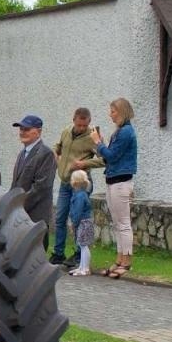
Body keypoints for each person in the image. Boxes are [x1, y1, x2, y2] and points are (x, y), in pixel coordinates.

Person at [50, 108, 104, 267]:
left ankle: (79, 254)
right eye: (79, 125)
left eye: (84, 125)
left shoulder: (93, 137)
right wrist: (56, 154)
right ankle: (58, 253)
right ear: (73, 120)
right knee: (60, 218)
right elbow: (58, 146)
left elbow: (104, 159)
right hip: (65, 181)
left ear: (89, 122)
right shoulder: (66, 131)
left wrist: (84, 163)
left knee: (78, 219)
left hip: (80, 184)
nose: (81, 128)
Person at [91, 97, 138, 278]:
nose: (110, 115)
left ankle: (126, 262)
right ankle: (119, 259)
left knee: (123, 224)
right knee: (118, 224)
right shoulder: (119, 132)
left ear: (122, 111)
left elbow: (112, 156)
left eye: (113, 111)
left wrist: (98, 143)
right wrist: (100, 144)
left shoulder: (126, 132)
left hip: (121, 182)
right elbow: (107, 156)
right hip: (113, 180)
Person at [9, 113, 56, 240]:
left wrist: (17, 205)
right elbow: (16, 184)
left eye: (27, 129)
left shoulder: (46, 153)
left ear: (38, 132)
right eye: (21, 129)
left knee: (36, 256)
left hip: (36, 217)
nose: (22, 132)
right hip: (20, 216)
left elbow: (41, 187)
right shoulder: (22, 154)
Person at [66, 169, 95, 276]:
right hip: (83, 222)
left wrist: (74, 223)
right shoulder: (80, 194)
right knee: (81, 244)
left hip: (83, 222)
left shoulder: (80, 196)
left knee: (84, 245)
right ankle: (81, 267)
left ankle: (85, 268)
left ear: (75, 182)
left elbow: (77, 211)